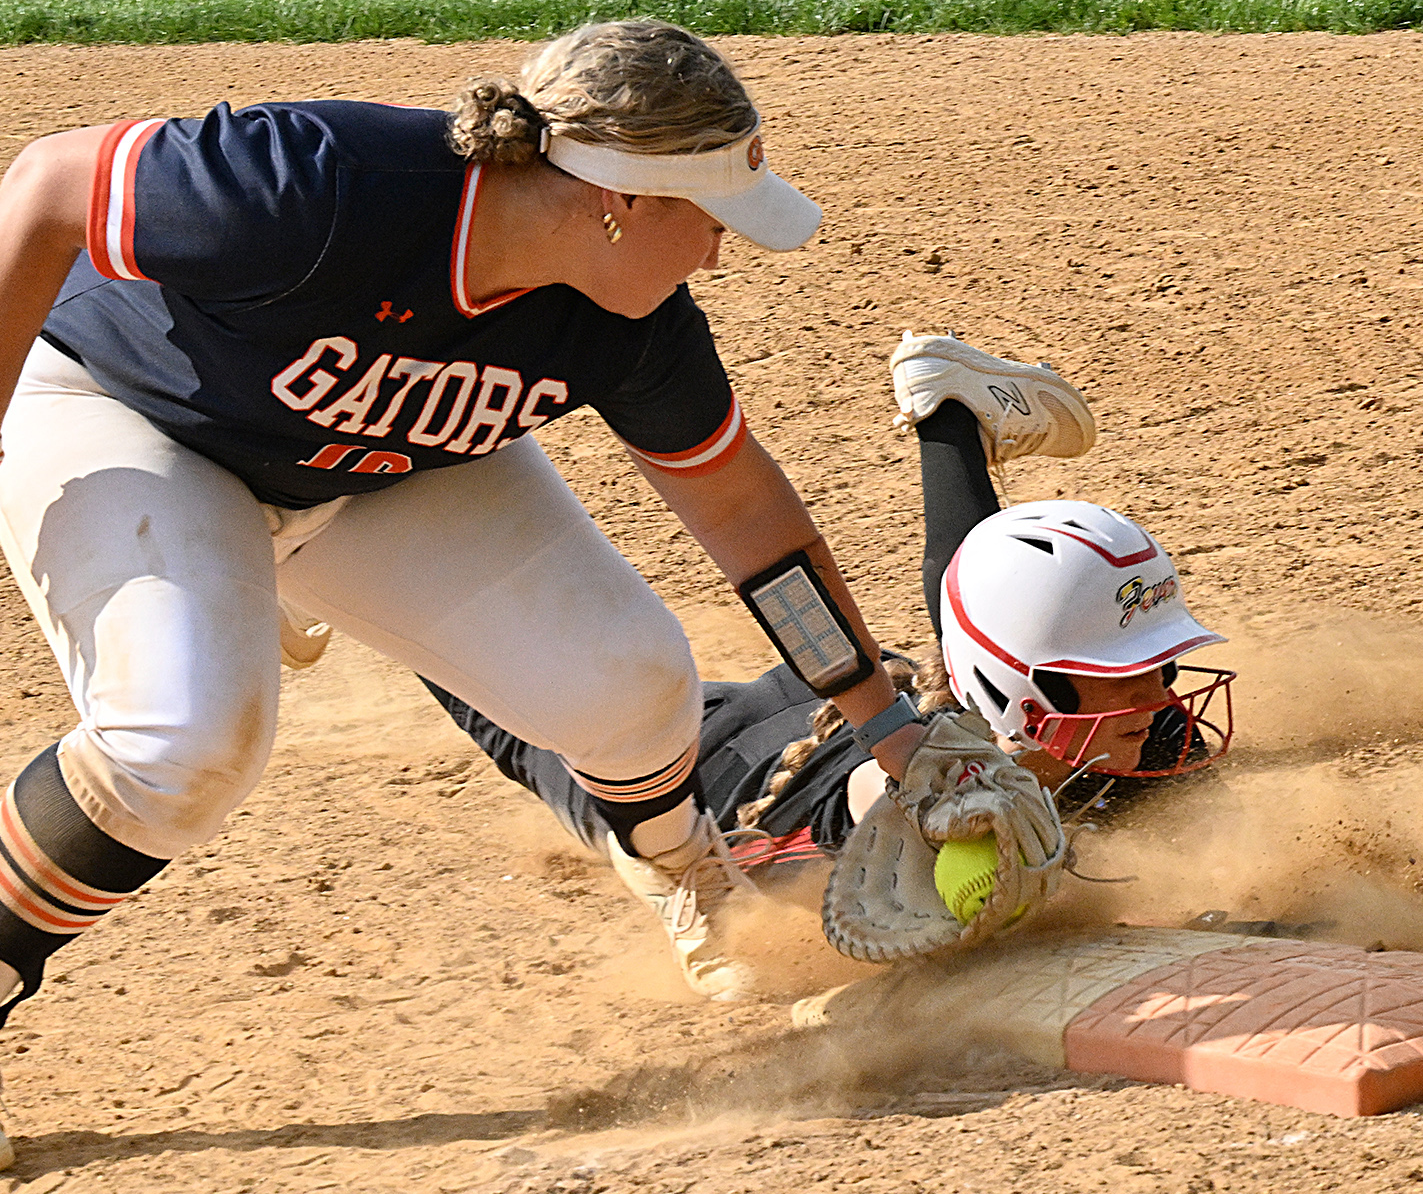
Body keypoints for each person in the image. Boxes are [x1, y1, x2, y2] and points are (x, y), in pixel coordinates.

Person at [0, 21, 949, 1179]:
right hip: (132, 423)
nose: (719, 253)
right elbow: (44, 183)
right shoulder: (321, 183)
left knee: (633, 682)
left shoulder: (633, 325)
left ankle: (686, 872)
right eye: (710, 216)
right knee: (187, 736)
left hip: (371, 468)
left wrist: (883, 717)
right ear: (620, 199)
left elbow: (749, 522)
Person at [430, 333, 1236, 997]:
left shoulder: (1142, 735)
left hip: (858, 711)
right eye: (1125, 671)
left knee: (985, 639)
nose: (1158, 696)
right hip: (710, 775)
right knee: (529, 713)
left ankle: (948, 411)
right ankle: (342, 567)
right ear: (1042, 688)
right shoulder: (929, 818)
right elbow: (867, 808)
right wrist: (917, 807)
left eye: (1161, 666)